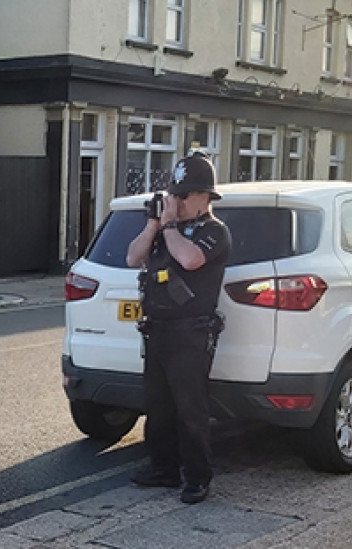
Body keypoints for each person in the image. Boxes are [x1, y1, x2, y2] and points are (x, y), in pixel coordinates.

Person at [125, 151, 232, 504]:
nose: (177, 202)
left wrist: (169, 227)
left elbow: (190, 259)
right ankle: (163, 469)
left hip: (191, 332)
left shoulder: (214, 231)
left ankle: (197, 477)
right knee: (158, 406)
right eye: (175, 194)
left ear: (205, 198)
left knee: (191, 409)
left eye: (184, 196)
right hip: (158, 329)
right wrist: (154, 224)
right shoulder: (164, 230)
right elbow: (132, 257)